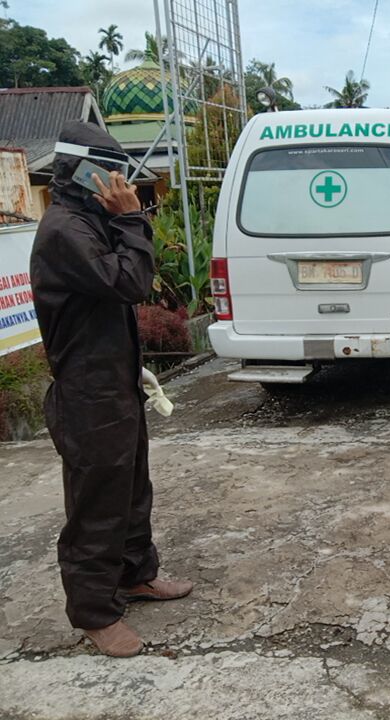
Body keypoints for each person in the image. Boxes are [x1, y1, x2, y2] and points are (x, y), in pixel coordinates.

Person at [30, 121, 192, 658]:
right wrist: (131, 219)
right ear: (86, 173)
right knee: (98, 502)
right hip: (87, 393)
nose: (122, 183)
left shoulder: (88, 222)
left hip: (113, 383)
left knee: (131, 489)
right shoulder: (65, 230)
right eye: (113, 172)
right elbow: (130, 282)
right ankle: (94, 612)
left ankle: (135, 575)